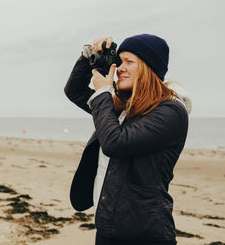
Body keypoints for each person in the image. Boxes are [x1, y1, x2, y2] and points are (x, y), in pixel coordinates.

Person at [64, 34, 192, 245]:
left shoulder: (171, 111)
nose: (120, 68)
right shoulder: (121, 107)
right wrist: (91, 57)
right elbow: (75, 91)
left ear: (149, 68)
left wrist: (104, 92)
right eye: (119, 61)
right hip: (108, 226)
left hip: (145, 235)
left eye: (129, 62)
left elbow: (115, 143)